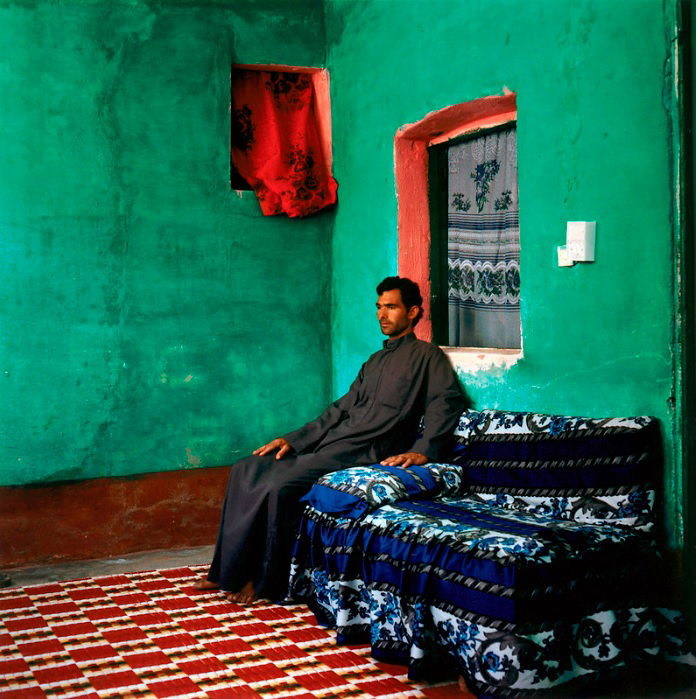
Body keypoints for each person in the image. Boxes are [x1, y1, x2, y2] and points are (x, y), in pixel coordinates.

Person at [195, 276, 466, 603]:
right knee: (247, 467)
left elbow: (445, 401)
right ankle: (225, 572)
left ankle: (265, 581)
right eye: (379, 307)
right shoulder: (375, 361)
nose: (382, 314)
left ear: (413, 312)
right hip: (333, 443)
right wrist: (294, 440)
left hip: (365, 450)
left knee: (279, 487)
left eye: (391, 307)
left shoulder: (428, 357)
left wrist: (424, 450)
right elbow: (341, 408)